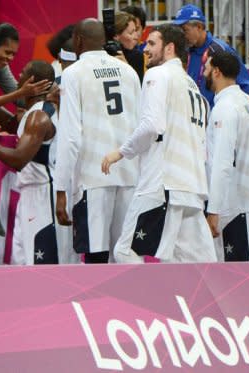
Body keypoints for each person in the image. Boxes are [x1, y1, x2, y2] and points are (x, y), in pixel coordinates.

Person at [101, 24, 216, 264]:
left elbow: (152, 125)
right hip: (192, 187)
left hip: (162, 184)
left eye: (152, 43)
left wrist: (120, 153)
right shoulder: (193, 87)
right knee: (195, 264)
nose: (145, 49)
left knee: (124, 252)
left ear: (170, 48)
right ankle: (185, 301)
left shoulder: (157, 75)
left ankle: (150, 300)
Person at [54, 18, 141, 264]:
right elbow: (140, 127)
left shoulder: (73, 74)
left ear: (78, 40)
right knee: (126, 258)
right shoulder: (129, 72)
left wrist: (61, 189)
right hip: (128, 175)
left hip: (93, 177)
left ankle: (98, 305)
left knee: (96, 257)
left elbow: (70, 136)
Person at [0, 60, 77, 265]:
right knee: (23, 262)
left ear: (32, 82)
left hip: (44, 195)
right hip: (30, 194)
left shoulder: (39, 116)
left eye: (22, 74)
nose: (17, 78)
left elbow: (19, 160)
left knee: (44, 266)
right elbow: (13, 124)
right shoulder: (36, 111)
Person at [204, 50, 249, 262]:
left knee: (234, 275)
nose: (204, 73)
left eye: (206, 69)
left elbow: (222, 162)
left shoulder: (225, 108)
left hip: (233, 205)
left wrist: (213, 209)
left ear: (216, 72)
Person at [173, 4, 249, 108]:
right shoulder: (185, 51)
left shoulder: (220, 50)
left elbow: (246, 86)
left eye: (185, 30)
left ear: (199, 27)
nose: (182, 35)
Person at [114, 11, 145, 82]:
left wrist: (126, 67)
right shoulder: (102, 54)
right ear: (116, 35)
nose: (136, 36)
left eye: (136, 30)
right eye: (131, 33)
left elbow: (138, 88)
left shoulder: (137, 56)